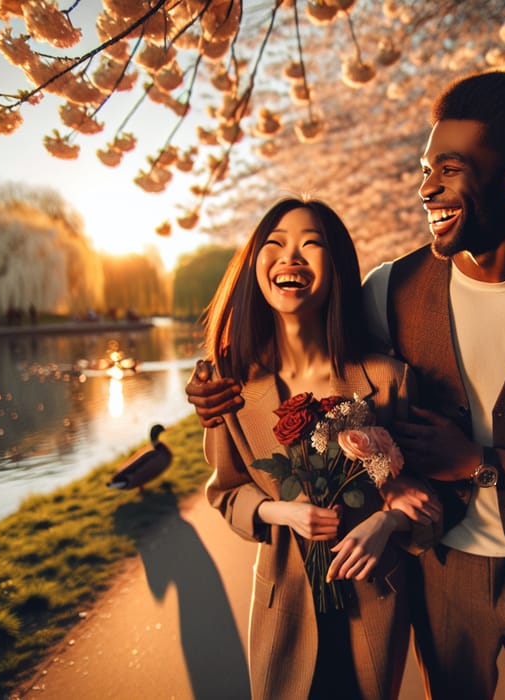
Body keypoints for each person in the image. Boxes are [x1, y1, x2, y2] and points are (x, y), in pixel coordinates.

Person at [187, 72, 505, 699]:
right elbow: (314, 347)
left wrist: (481, 462)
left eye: (449, 167)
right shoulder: (390, 289)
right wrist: (216, 380)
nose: (427, 186)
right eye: (423, 167)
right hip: (437, 571)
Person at [196, 196, 439, 700]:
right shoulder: (228, 386)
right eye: (275, 244)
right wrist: (280, 511)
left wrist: (389, 522)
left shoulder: (389, 381)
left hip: (375, 601)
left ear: (337, 268)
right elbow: (225, 492)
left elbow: (434, 499)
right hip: (281, 606)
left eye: (311, 245)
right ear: (254, 266)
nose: (292, 258)